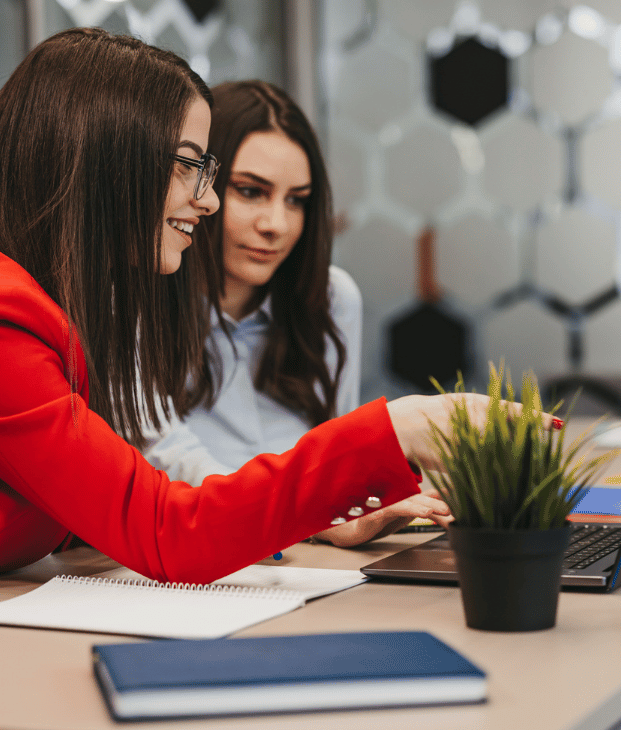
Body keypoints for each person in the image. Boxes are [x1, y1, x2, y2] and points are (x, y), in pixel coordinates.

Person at [0, 29, 513, 630]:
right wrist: (397, 428)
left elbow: (100, 515)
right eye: (193, 167)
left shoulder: (24, 296)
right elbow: (169, 532)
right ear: (107, 163)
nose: (211, 201)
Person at [143, 81, 449, 546]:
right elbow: (163, 452)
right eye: (250, 191)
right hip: (197, 549)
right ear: (199, 188)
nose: (276, 225)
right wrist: (311, 513)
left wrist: (354, 505)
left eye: (296, 200)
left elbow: (339, 452)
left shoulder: (331, 298)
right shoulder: (135, 300)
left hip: (317, 554)